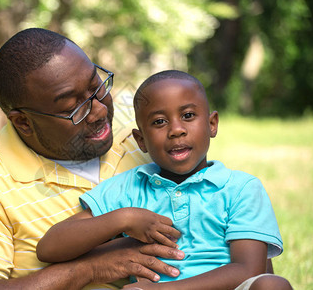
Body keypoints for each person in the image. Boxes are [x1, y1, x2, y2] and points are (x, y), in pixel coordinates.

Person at [0, 28, 186, 290]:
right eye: (74, 108)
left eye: (96, 87)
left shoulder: (142, 129)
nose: (99, 111)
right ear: (23, 122)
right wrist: (88, 269)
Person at [36, 70, 293, 290]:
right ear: (141, 141)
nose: (176, 130)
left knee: (273, 285)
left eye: (188, 116)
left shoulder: (240, 188)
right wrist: (124, 218)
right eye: (159, 122)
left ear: (212, 124)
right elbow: (49, 248)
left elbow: (249, 270)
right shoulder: (129, 188)